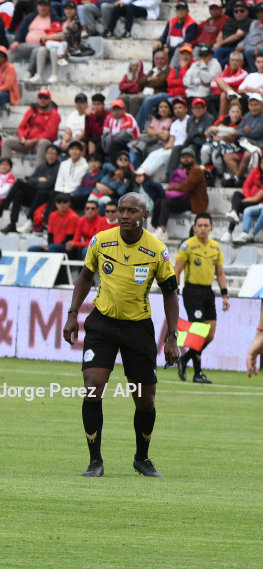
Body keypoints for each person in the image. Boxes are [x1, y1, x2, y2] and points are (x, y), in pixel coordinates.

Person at [63, 192, 180, 479]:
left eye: (132, 211)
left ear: (145, 215)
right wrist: (72, 313)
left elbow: (170, 292)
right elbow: (85, 276)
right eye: (121, 210)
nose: (125, 215)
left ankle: (142, 458)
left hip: (138, 328)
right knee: (93, 387)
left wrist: (172, 337)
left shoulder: (157, 250)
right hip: (102, 323)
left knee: (145, 399)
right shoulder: (101, 240)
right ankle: (94, 461)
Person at [173, 212, 229, 384]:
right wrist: (173, 292)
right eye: (200, 226)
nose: (203, 229)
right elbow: (177, 270)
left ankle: (184, 359)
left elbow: (219, 272)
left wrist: (225, 294)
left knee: (210, 334)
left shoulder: (215, 247)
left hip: (208, 292)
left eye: (206, 225)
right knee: (198, 332)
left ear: (211, 227)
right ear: (194, 228)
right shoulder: (187, 246)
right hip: (192, 292)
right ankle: (198, 373)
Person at [151, 148, 208, 241]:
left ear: (194, 158)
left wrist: (170, 189)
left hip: (194, 201)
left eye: (188, 157)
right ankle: (156, 227)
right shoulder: (182, 169)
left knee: (166, 202)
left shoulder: (196, 170)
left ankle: (162, 230)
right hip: (183, 198)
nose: (186, 159)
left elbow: (186, 186)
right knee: (159, 200)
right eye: (183, 157)